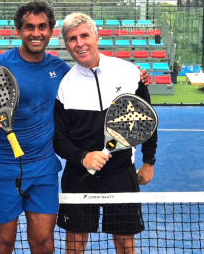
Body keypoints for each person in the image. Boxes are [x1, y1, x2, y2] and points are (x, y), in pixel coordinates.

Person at [0, 2, 150, 254]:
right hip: (6, 167)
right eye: (29, 27)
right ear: (18, 31)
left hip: (44, 169)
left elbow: (95, 75)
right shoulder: (1, 66)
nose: (35, 33)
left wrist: (137, 76)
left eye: (42, 27)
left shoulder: (60, 70)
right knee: (2, 243)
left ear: (51, 30)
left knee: (43, 242)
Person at [53, 13, 158, 254]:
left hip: (121, 173)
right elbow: (59, 139)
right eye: (72, 39)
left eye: (84, 35)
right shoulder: (64, 85)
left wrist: (148, 162)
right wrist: (82, 157)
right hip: (78, 176)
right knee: (76, 244)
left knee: (125, 243)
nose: (79, 43)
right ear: (67, 45)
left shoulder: (130, 73)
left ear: (96, 37)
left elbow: (146, 120)